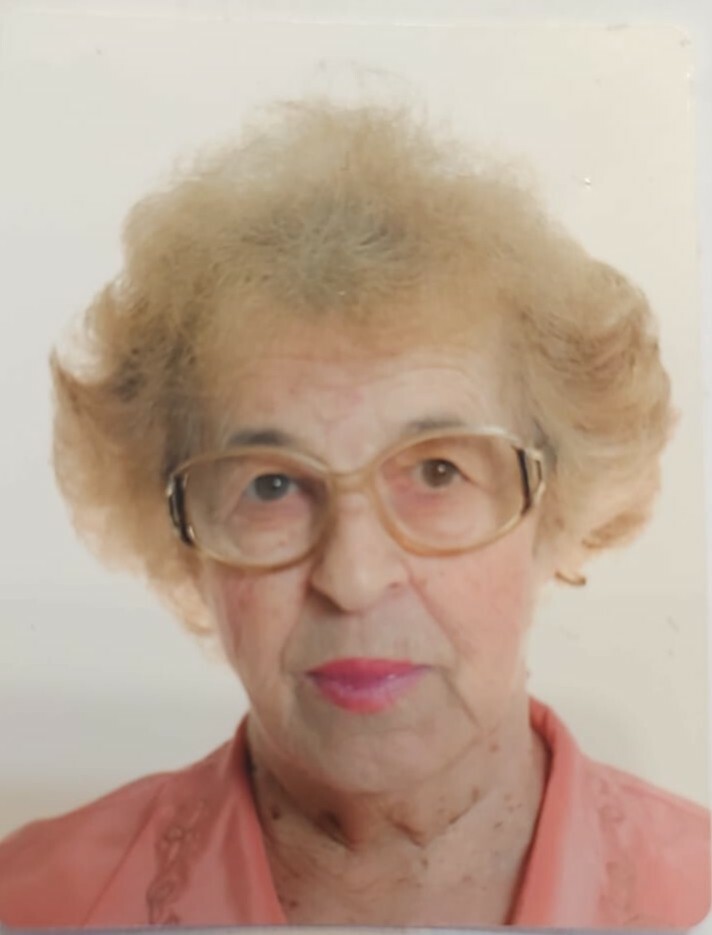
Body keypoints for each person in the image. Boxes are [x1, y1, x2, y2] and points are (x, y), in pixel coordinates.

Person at [0, 100, 708, 930]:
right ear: (187, 545)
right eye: (271, 485)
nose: (355, 577)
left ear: (555, 514)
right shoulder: (34, 902)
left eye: (438, 471)